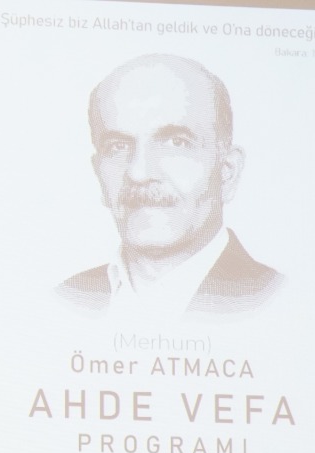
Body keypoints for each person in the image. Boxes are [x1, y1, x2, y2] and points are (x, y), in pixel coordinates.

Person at [59, 54, 283, 317]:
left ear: (227, 172)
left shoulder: (278, 302)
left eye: (176, 143)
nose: (139, 173)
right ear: (99, 175)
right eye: (117, 147)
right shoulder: (65, 301)